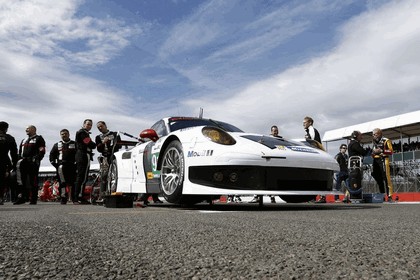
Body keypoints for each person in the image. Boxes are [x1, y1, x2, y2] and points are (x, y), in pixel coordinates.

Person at [14, 125, 46, 205]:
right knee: (21, 181)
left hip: (33, 163)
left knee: (33, 181)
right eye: (26, 128)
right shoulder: (24, 140)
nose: (26, 130)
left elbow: (42, 150)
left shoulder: (39, 138)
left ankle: (33, 199)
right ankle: (22, 198)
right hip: (23, 162)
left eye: (28, 128)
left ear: (34, 130)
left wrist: (37, 159)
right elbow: (20, 151)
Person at [95, 121, 121, 203]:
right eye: (98, 127)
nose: (100, 128)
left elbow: (119, 145)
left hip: (114, 156)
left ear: (105, 125)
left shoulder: (114, 134)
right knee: (104, 176)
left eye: (101, 126)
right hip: (105, 157)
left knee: (115, 175)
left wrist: (111, 144)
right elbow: (98, 148)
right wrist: (103, 142)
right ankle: (103, 196)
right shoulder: (98, 137)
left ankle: (114, 194)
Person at [49, 129, 77, 204]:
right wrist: (55, 164)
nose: (64, 135)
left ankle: (74, 199)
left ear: (69, 134)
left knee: (73, 182)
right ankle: (63, 198)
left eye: (65, 134)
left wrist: (76, 164)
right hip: (61, 167)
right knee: (62, 183)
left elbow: (78, 155)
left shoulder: (75, 144)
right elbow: (52, 155)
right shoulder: (57, 145)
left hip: (72, 166)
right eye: (62, 134)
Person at [74, 119, 96, 204]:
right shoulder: (82, 133)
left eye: (90, 125)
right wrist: (96, 144)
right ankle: (79, 197)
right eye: (88, 124)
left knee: (82, 176)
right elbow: (89, 143)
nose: (89, 126)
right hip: (83, 155)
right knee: (82, 177)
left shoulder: (83, 133)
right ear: (83, 124)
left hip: (82, 155)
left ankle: (78, 196)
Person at [303, 117, 324, 202]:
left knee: (316, 175)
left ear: (310, 123)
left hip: (316, 155)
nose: (303, 124)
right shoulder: (309, 130)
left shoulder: (312, 130)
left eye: (305, 122)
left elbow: (313, 143)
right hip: (316, 155)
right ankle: (314, 197)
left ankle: (320, 196)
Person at [371, 128, 394, 202]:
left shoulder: (386, 140)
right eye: (373, 134)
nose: (374, 136)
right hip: (375, 160)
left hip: (383, 159)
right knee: (376, 176)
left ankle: (389, 196)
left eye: (375, 134)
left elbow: (391, 151)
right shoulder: (374, 141)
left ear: (380, 134)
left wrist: (381, 150)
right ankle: (382, 194)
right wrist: (373, 152)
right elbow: (372, 152)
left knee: (386, 177)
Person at [0, 121, 18, 205]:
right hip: (3, 160)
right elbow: (14, 153)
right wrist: (14, 164)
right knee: (1, 180)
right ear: (6, 129)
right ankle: (0, 198)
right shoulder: (9, 138)